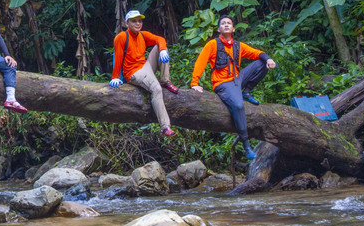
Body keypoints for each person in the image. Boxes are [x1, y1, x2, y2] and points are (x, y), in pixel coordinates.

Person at [191, 14, 277, 159]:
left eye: (229, 23)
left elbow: (256, 53)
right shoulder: (212, 44)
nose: (226, 25)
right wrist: (194, 83)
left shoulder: (238, 45)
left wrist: (268, 58)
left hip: (237, 80)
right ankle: (246, 145)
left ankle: (247, 92)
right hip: (223, 83)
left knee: (261, 63)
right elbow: (201, 62)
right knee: (238, 106)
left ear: (233, 28)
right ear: (218, 29)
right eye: (223, 23)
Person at [108, 10, 179, 137]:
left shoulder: (142, 35)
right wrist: (114, 77)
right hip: (134, 73)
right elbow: (118, 57)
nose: (137, 23)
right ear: (127, 23)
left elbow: (160, 39)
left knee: (161, 47)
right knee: (156, 89)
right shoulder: (122, 37)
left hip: (145, 67)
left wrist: (162, 50)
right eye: (134, 21)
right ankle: (165, 127)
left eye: (139, 21)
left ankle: (165, 80)